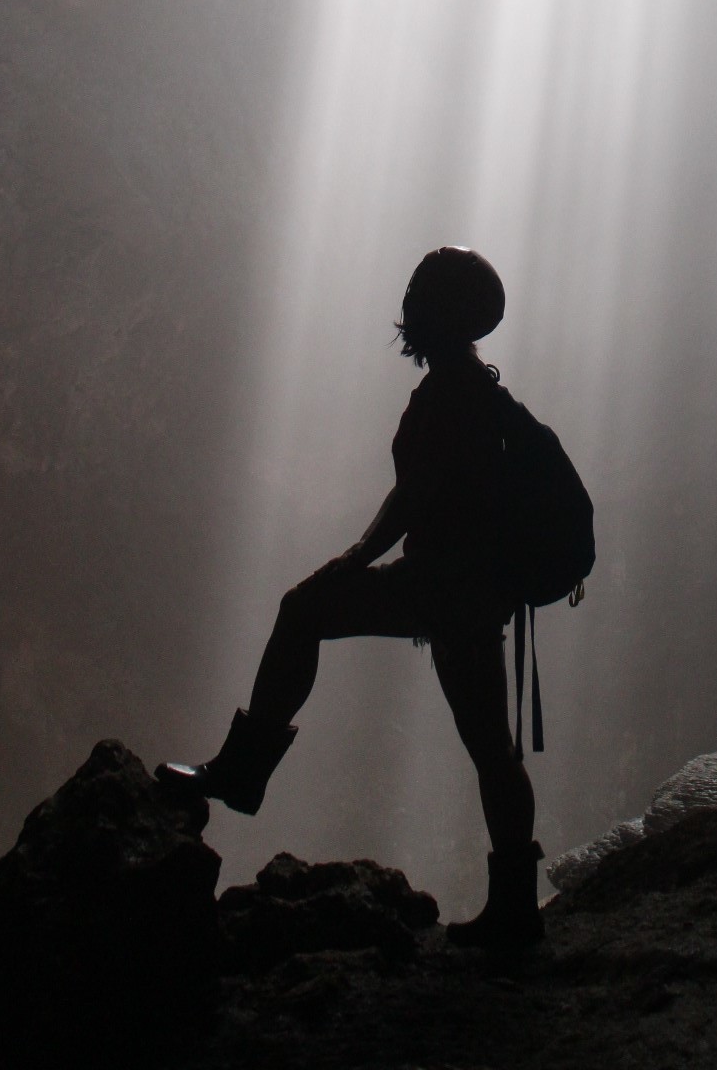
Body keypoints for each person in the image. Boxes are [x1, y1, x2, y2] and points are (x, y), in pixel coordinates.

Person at [157, 246, 544, 949]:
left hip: (444, 587)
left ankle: (243, 772)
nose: (406, 302)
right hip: (469, 592)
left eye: (418, 292)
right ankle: (516, 908)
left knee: (302, 610)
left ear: (435, 311)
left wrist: (352, 559)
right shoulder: (468, 387)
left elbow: (416, 494)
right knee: (491, 747)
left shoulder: (451, 392)